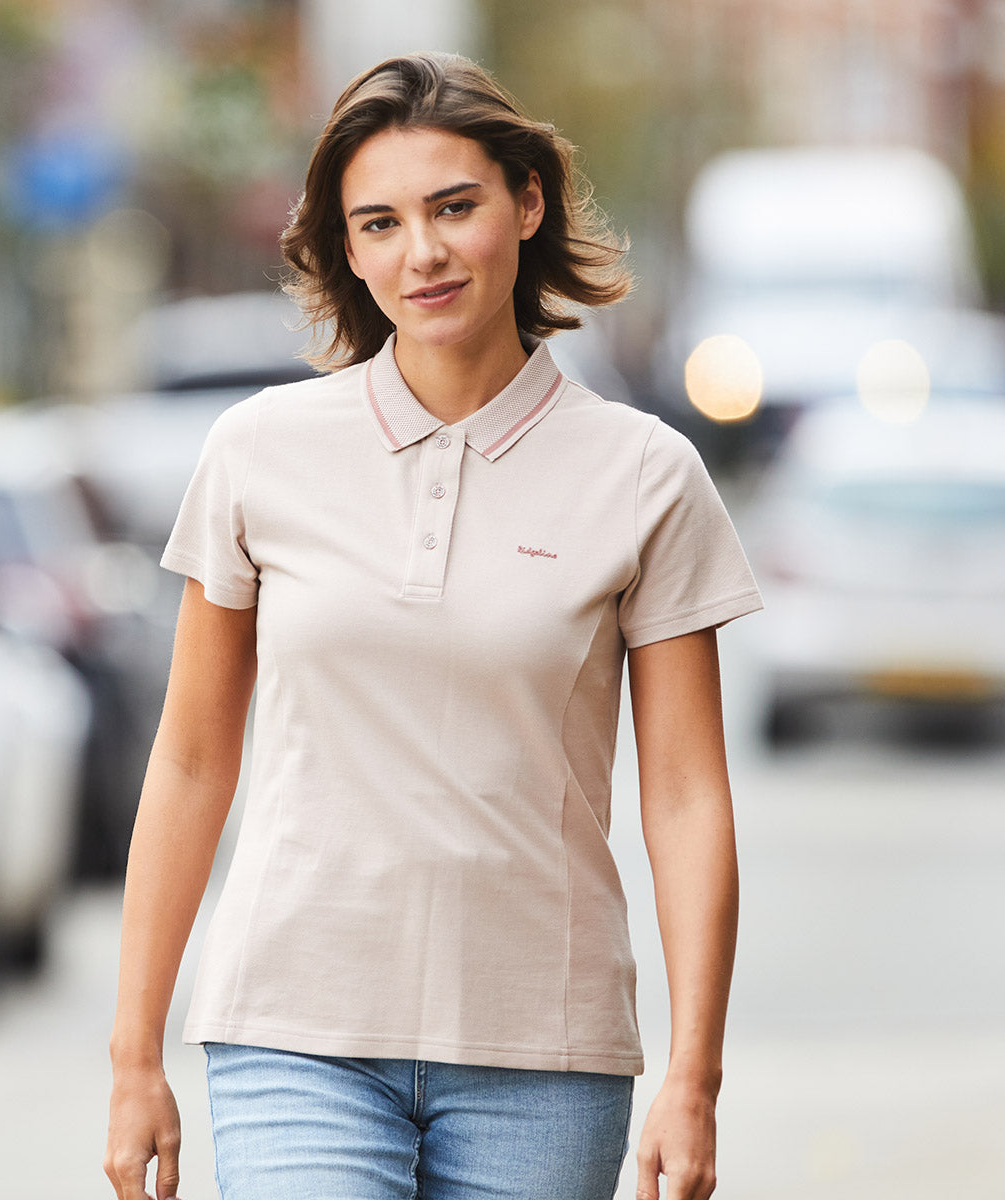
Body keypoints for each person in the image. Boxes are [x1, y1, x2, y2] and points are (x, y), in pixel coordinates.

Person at [105, 51, 762, 1200]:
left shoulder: (646, 475)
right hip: (292, 1031)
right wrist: (133, 1056)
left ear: (527, 202)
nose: (423, 252)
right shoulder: (257, 452)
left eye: (454, 207)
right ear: (348, 250)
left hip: (544, 1054)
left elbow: (686, 796)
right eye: (381, 223)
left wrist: (694, 1076)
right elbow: (194, 759)